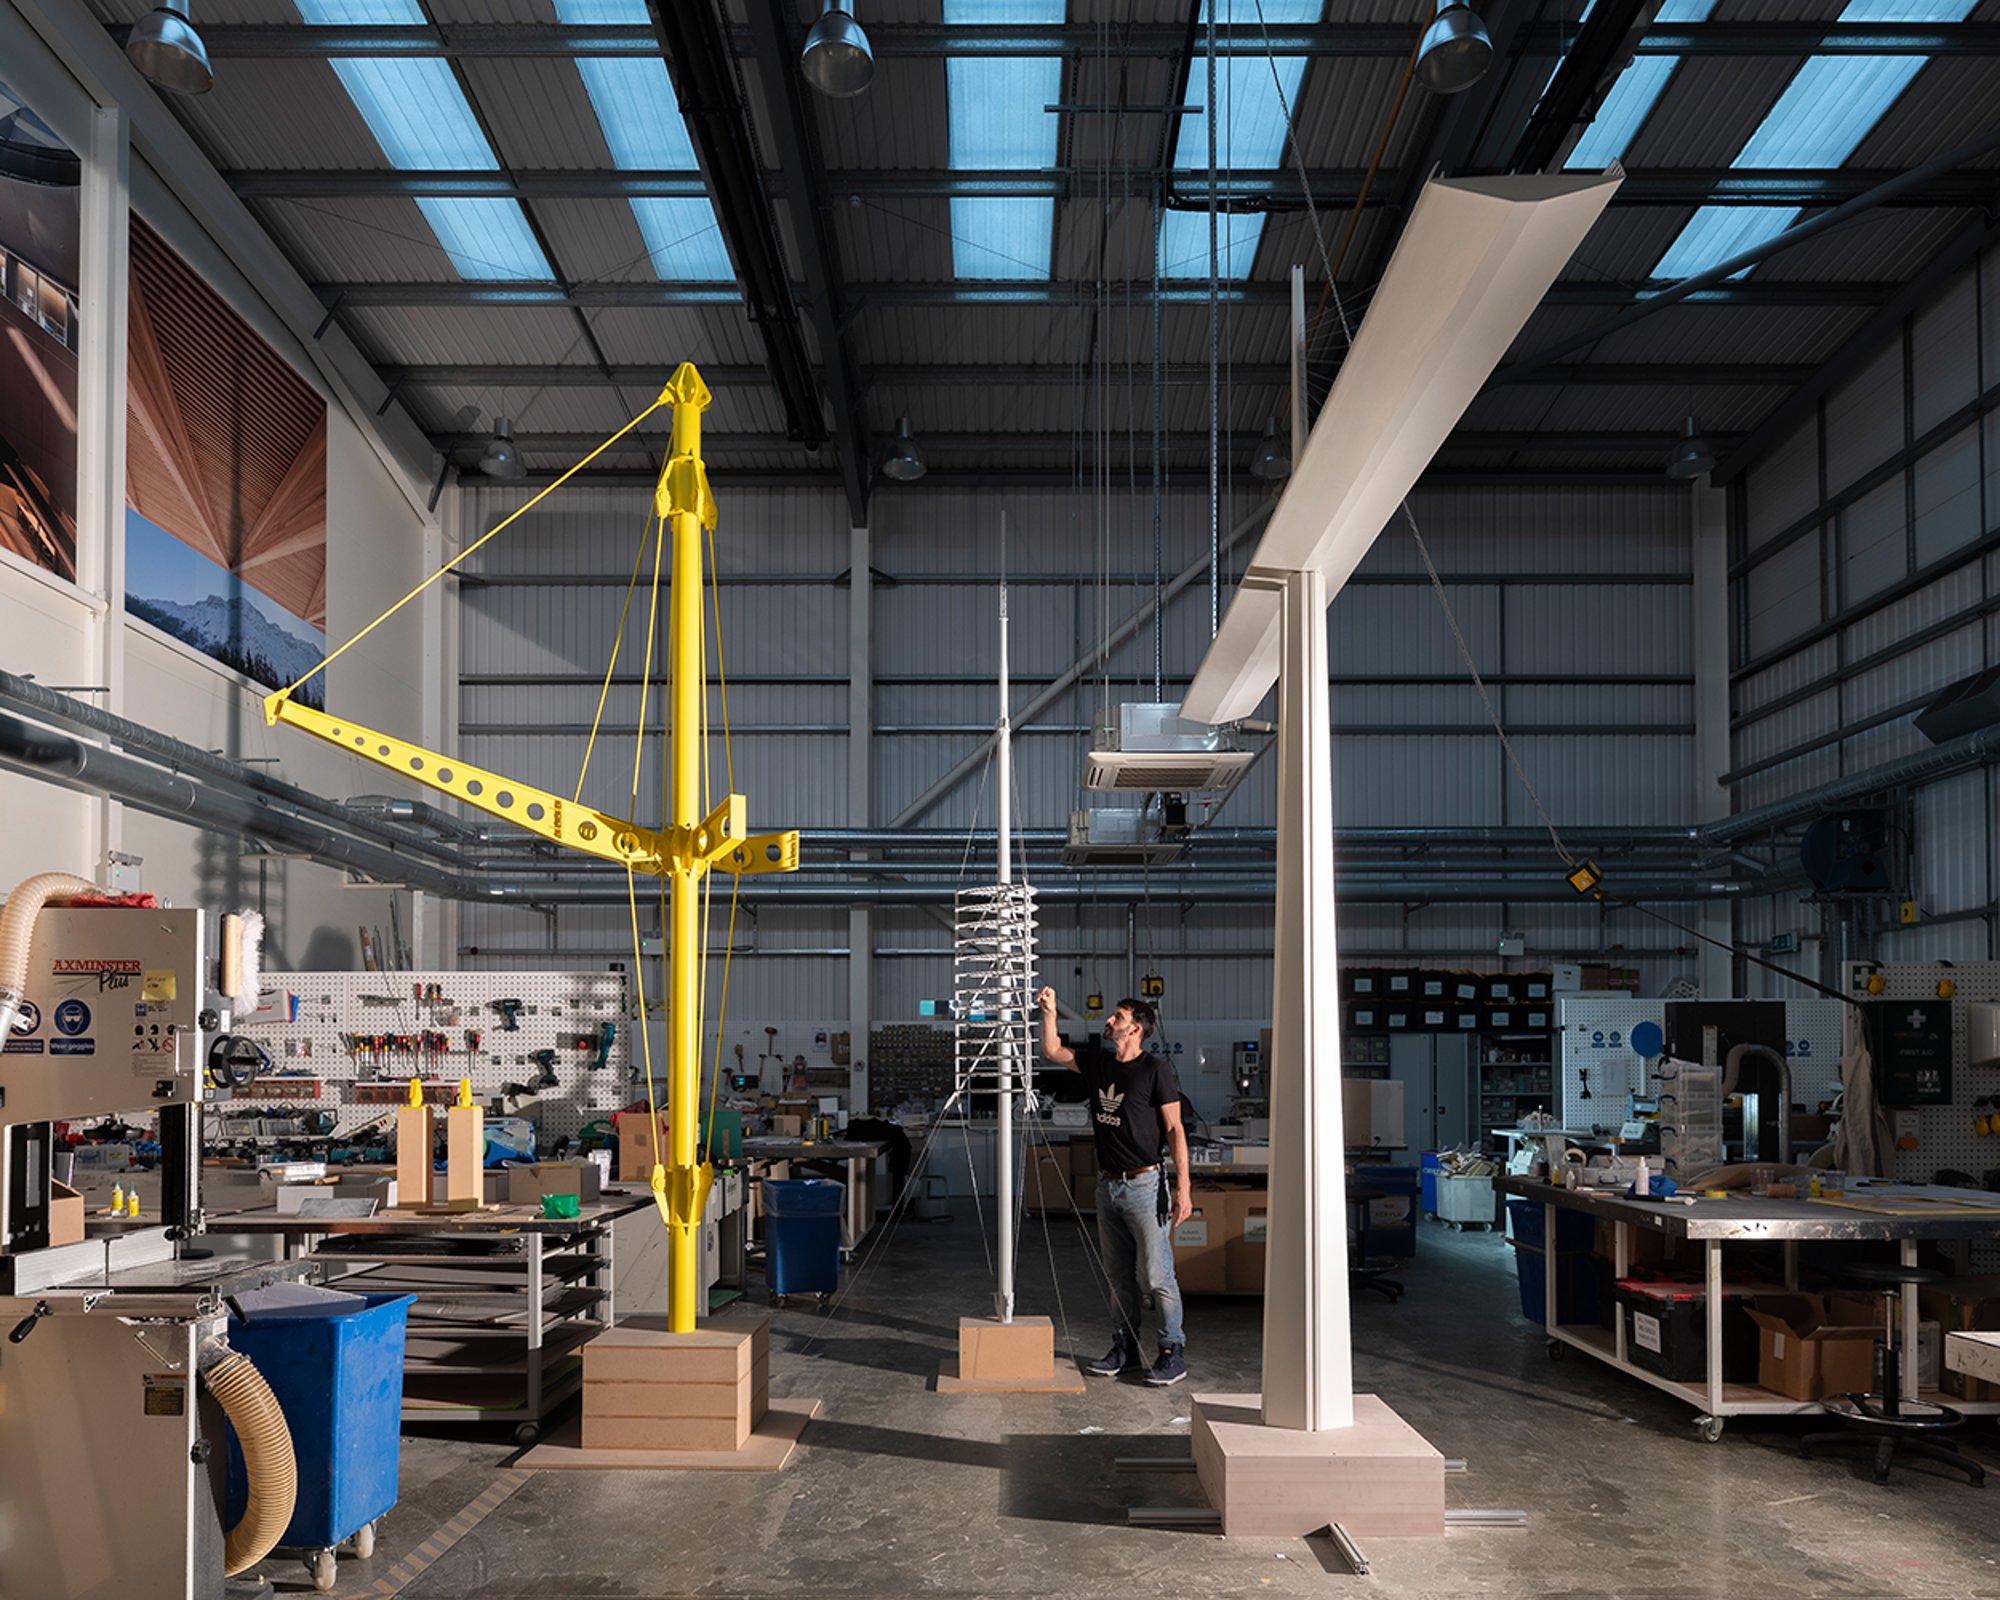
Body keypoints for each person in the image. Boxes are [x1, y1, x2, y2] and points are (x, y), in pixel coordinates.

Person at [1036, 986, 1191, 1386]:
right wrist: (1050, 1011)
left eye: (1117, 1017)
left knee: (1156, 1276)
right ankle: (1125, 1347)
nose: (1109, 1021)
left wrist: (1184, 1188)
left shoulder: (1155, 1069)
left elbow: (1174, 1128)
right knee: (1118, 1276)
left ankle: (1172, 1352)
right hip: (1108, 1187)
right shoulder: (1100, 1064)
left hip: (1145, 1184)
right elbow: (1052, 1051)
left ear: (1135, 1029)